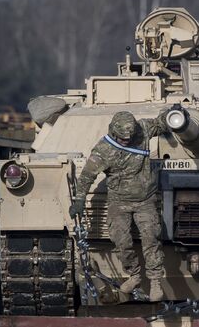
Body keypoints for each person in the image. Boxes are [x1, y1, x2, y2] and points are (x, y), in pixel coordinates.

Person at [69, 110, 170, 302]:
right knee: (119, 239)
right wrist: (80, 199)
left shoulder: (143, 129)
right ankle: (134, 275)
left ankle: (155, 281)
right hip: (119, 200)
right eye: (122, 138)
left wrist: (170, 115)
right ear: (114, 133)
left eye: (129, 137)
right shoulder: (103, 150)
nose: (127, 140)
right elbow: (87, 175)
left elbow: (160, 123)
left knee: (151, 237)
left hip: (145, 199)